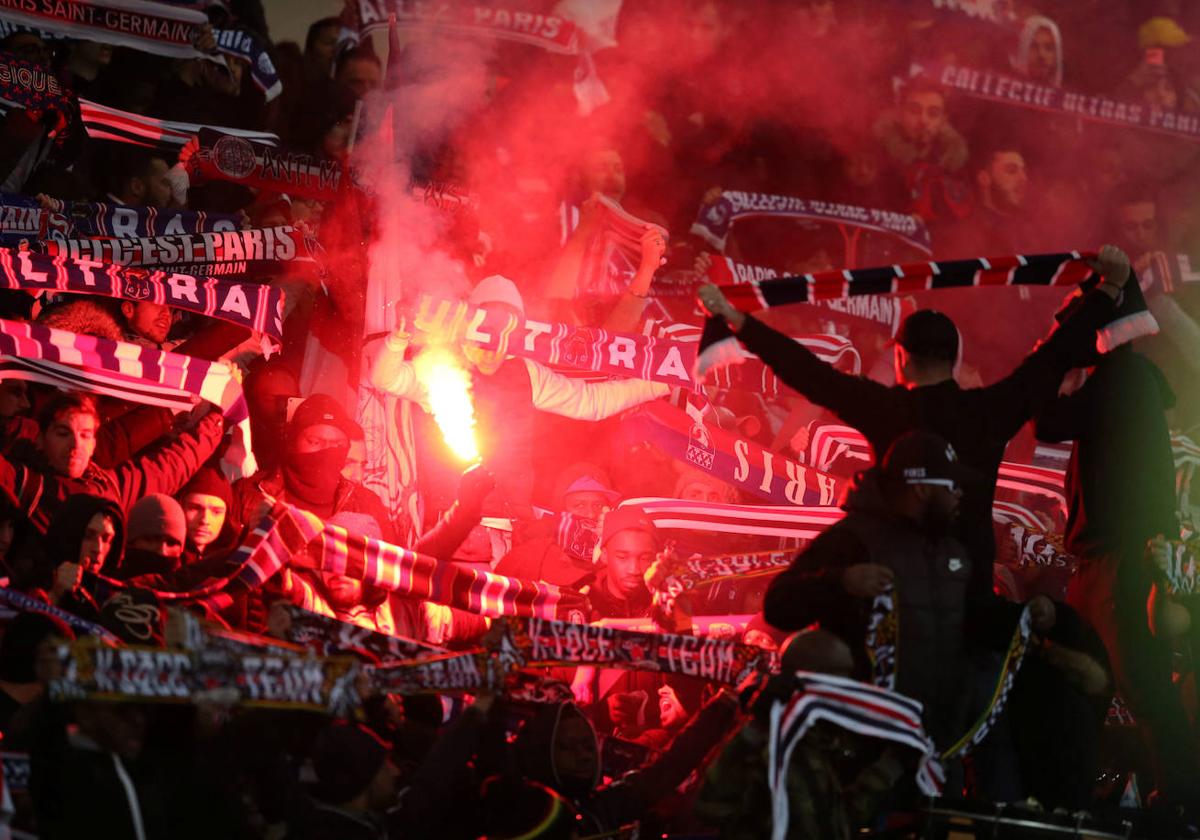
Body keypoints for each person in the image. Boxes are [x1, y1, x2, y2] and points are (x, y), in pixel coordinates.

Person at [697, 246, 1133, 646]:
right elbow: (1051, 360)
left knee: (797, 611)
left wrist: (737, 320)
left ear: (900, 356)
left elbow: (809, 373)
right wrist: (1109, 288)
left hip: (889, 592)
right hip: (970, 596)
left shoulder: (882, 407)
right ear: (956, 360)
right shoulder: (990, 410)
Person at [1036, 312, 1200, 818]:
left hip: (1117, 559)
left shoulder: (1121, 379)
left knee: (1140, 686)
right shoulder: (1128, 382)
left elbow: (1047, 421)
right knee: (1096, 686)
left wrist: (1056, 358)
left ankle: (1180, 804)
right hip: (1110, 558)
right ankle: (1126, 796)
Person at [370, 276, 669, 512]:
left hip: (514, 512)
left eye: (505, 337)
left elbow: (591, 403)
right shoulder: (441, 365)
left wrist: (666, 382)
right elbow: (386, 379)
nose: (491, 349)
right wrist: (400, 337)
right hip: (452, 513)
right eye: (485, 333)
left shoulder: (528, 372)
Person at [0, 391, 225, 530]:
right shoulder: (22, 482)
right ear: (40, 439)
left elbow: (170, 466)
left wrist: (218, 416)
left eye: (85, 435)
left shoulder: (109, 487)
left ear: (94, 443)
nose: (75, 444)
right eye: (62, 433)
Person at [233, 394, 394, 539]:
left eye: (338, 444)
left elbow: (392, 567)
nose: (327, 450)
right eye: (315, 442)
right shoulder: (248, 494)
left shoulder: (367, 505)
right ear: (292, 442)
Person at [872, 79, 968, 176]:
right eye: (914, 110)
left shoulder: (955, 167)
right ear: (900, 113)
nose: (923, 121)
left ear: (943, 120)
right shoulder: (875, 157)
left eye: (933, 113)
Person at [582, 505, 659, 620]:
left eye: (644, 558)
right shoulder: (582, 600)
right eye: (622, 557)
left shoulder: (666, 599)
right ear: (604, 555)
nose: (634, 570)